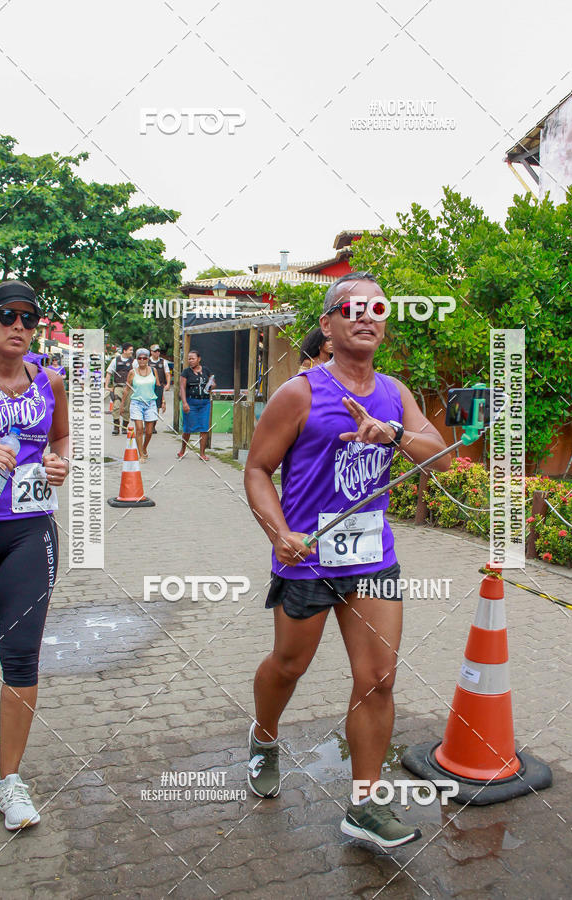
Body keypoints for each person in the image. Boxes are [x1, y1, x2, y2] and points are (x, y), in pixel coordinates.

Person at [244, 272, 451, 849]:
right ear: (328, 326)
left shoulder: (395, 393)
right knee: (289, 665)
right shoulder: (301, 393)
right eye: (351, 308)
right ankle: (264, 735)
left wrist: (392, 434)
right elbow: (257, 469)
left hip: (371, 559)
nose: (365, 316)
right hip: (308, 558)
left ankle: (364, 804)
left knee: (378, 678)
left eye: (376, 309)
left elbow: (439, 458)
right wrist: (278, 532)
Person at [0, 280, 69, 830]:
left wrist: (59, 462)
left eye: (29, 317)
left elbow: (61, 439)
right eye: (7, 315)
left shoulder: (50, 381)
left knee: (20, 657)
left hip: (29, 531)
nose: (19, 326)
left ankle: (9, 781)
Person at [120, 349, 161, 461]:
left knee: (149, 431)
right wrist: (122, 404)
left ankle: (144, 447)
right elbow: (127, 389)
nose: (142, 360)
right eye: (139, 358)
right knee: (139, 428)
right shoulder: (132, 372)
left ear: (148, 359)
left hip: (150, 403)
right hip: (136, 403)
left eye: (144, 358)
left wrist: (162, 401)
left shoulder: (153, 370)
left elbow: (158, 386)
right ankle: (141, 454)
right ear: (136, 359)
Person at [179, 350, 215, 461]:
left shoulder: (206, 370)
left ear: (199, 359)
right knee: (188, 428)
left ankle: (202, 453)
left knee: (204, 428)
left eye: (193, 358)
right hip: (191, 402)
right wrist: (184, 403)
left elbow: (213, 383)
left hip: (204, 403)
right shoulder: (186, 372)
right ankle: (182, 450)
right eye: (189, 359)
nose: (190, 361)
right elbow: (182, 388)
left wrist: (212, 385)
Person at [105, 342, 134, 434]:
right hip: (118, 386)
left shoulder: (134, 362)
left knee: (127, 407)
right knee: (116, 406)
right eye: (130, 350)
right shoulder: (115, 361)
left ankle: (124, 427)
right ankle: (116, 427)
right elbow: (109, 373)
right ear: (124, 351)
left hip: (129, 388)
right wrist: (106, 386)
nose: (132, 352)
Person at [148, 344, 170, 433]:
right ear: (151, 352)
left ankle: (153, 426)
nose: (157, 352)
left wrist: (168, 384)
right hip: (148, 386)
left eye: (158, 351)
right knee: (147, 405)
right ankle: (147, 425)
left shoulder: (163, 362)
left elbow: (167, 374)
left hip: (159, 386)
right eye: (155, 351)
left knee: (157, 407)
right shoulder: (147, 361)